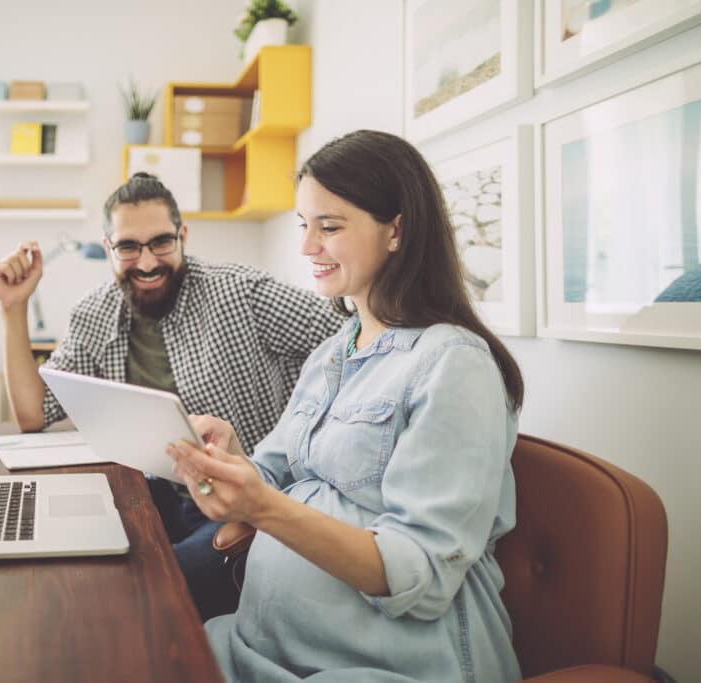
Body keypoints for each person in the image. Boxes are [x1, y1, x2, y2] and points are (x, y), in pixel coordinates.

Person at [166, 130, 526, 682]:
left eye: (329, 227)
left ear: (396, 230)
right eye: (303, 225)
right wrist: (230, 458)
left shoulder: (454, 365)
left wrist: (262, 507)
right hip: (258, 646)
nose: (308, 246)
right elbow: (277, 472)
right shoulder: (333, 352)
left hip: (379, 667)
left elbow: (422, 575)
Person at [0, 172, 345, 620]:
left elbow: (350, 338)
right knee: (74, 568)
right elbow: (33, 414)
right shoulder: (95, 313)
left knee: (151, 591)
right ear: (108, 248)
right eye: (128, 247)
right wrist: (13, 308)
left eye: (160, 243)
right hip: (153, 492)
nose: (146, 262)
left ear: (182, 236)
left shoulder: (240, 291)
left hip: (242, 502)